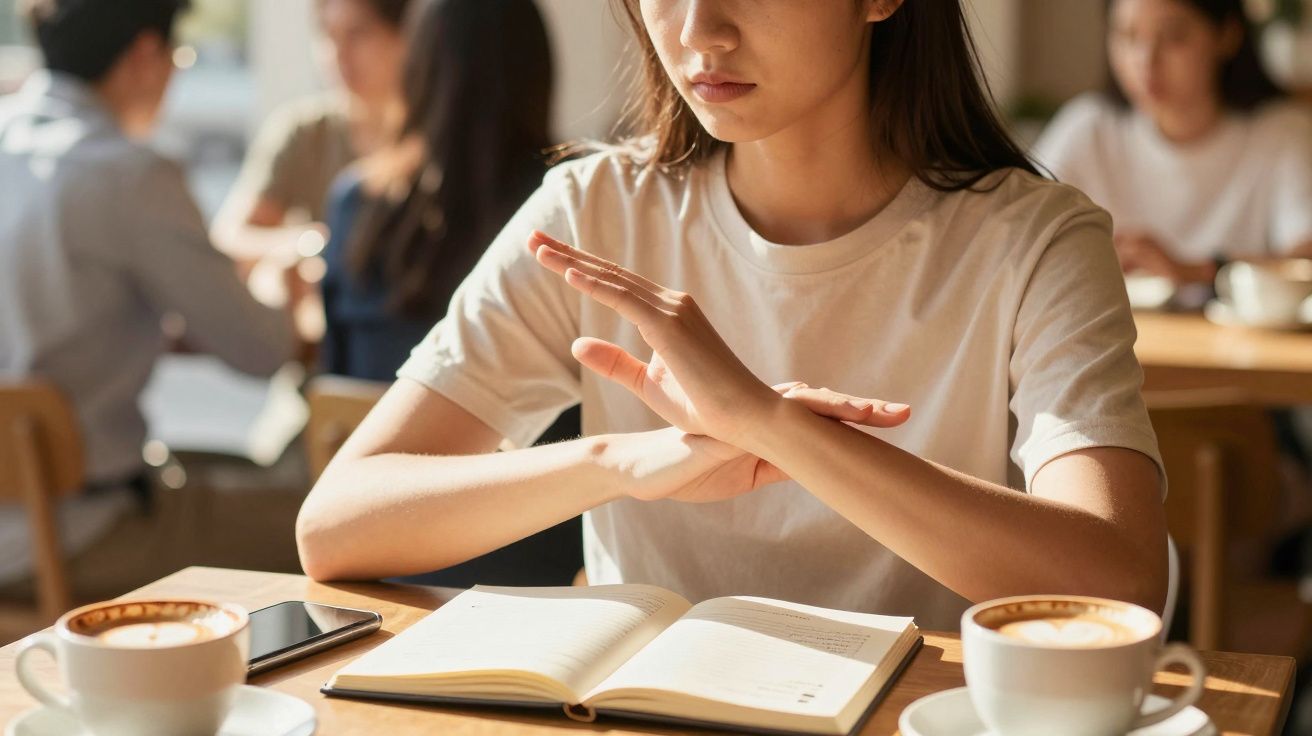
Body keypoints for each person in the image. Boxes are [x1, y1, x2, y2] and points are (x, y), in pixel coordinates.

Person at [297, 0, 1169, 631]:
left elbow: (1118, 579)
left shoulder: (1037, 241)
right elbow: (336, 525)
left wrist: (766, 421)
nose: (698, 28)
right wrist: (622, 460)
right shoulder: (592, 211)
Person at [0, 0, 298, 596]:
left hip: (28, 519)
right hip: (76, 536)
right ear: (143, 54)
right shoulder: (128, 175)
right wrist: (279, 276)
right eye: (179, 57)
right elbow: (263, 350)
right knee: (333, 520)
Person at [319, 0, 582, 586]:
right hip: (540, 563)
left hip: (380, 553)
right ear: (538, 72)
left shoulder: (354, 201)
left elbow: (330, 379)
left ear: (418, 67)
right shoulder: (573, 209)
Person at [1033, 0, 1312, 286]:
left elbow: (1305, 260)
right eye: (1128, 36)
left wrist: (1193, 272)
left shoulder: (1280, 132)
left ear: (1227, 35)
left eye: (1173, 37)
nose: (1146, 61)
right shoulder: (1090, 128)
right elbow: (1019, 228)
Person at [210, 0, 410, 259]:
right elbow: (229, 237)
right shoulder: (304, 133)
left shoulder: (438, 133)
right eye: (327, 34)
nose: (338, 53)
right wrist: (303, 245)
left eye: (357, 33)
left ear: (404, 36)